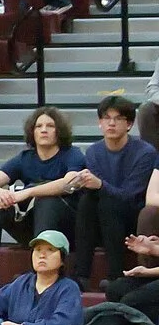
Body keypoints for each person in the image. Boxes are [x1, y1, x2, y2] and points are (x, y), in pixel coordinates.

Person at [0, 108, 79, 287]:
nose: (44, 130)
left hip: (64, 229)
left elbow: (69, 184)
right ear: (32, 131)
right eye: (39, 126)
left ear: (59, 131)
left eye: (50, 126)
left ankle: (37, 274)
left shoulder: (72, 154)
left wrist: (28, 192)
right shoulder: (25, 158)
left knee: (46, 201)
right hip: (31, 226)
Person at [67, 96, 158, 289]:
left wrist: (100, 185)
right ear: (99, 123)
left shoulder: (145, 153)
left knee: (107, 201)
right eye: (106, 118)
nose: (111, 123)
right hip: (100, 218)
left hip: (132, 217)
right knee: (87, 201)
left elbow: (131, 196)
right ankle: (81, 275)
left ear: (130, 124)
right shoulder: (93, 152)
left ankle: (115, 276)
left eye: (118, 118)